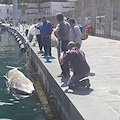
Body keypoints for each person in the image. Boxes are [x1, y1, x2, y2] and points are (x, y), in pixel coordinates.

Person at [54, 13, 70, 77]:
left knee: (61, 56)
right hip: (67, 41)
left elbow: (55, 31)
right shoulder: (67, 24)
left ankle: (64, 72)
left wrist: (58, 37)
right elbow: (69, 33)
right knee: (67, 56)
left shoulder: (59, 24)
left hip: (62, 41)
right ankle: (67, 71)